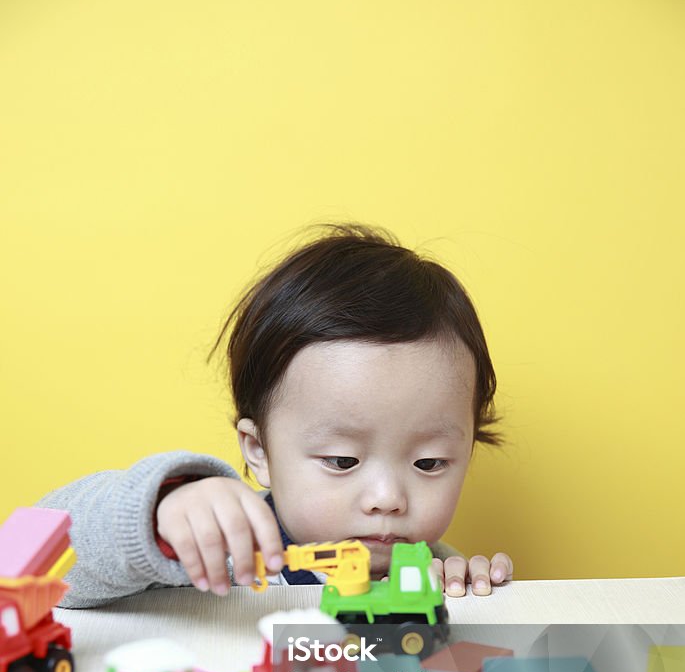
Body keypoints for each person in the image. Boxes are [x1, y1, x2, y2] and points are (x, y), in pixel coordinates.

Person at [39, 224, 513, 608]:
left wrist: (470, 595)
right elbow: (38, 563)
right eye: (342, 460)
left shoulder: (435, 570)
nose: (387, 499)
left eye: (429, 463)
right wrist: (157, 517)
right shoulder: (220, 552)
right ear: (259, 450)